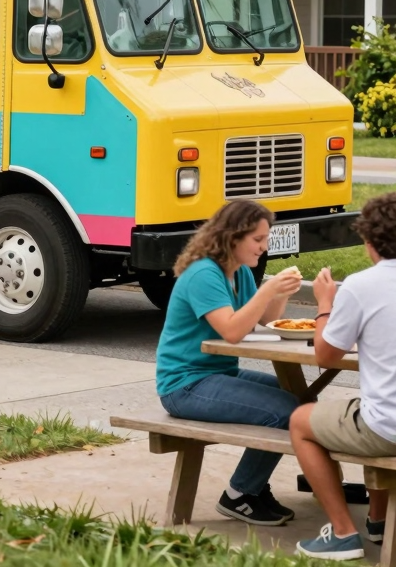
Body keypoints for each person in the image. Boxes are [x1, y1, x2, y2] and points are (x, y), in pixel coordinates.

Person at [155, 199, 304, 526]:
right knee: (284, 411)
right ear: (233, 237)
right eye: (258, 240)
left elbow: (262, 321)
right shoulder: (204, 274)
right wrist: (269, 292)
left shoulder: (239, 272)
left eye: (266, 240)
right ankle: (240, 495)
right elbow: (233, 331)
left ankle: (256, 487)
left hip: (216, 374)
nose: (264, 248)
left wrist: (280, 292)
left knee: (300, 396)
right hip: (185, 385)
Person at [289, 193, 396, 560]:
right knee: (367, 407)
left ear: (369, 242)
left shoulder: (362, 285)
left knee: (301, 419)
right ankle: (378, 521)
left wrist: (324, 304)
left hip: (388, 428)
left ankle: (343, 532)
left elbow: (325, 356)